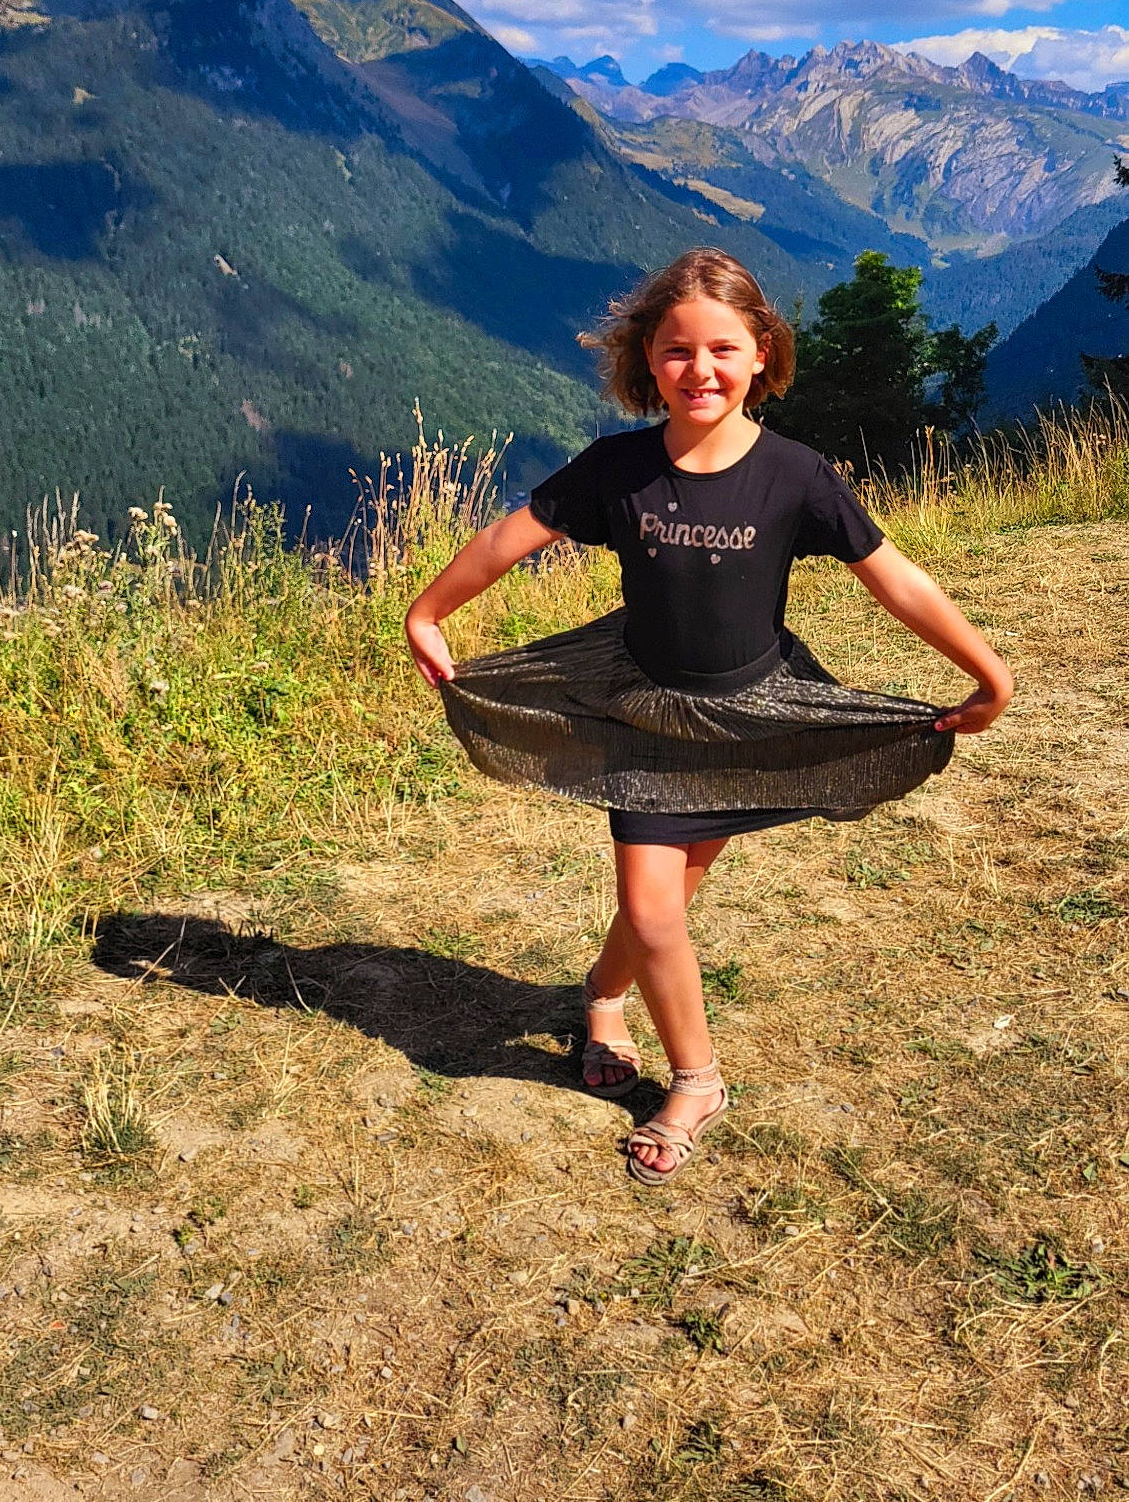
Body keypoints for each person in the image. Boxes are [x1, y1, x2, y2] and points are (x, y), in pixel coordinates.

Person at [404, 249, 1013, 1184]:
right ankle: (698, 1081)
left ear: (763, 354)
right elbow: (508, 537)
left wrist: (986, 672)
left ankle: (603, 1000)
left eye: (723, 349)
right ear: (647, 359)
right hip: (642, 714)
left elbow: (898, 580)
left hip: (748, 722)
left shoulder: (797, 476)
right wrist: (429, 611)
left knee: (662, 906)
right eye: (677, 350)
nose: (701, 369)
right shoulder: (619, 469)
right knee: (654, 907)